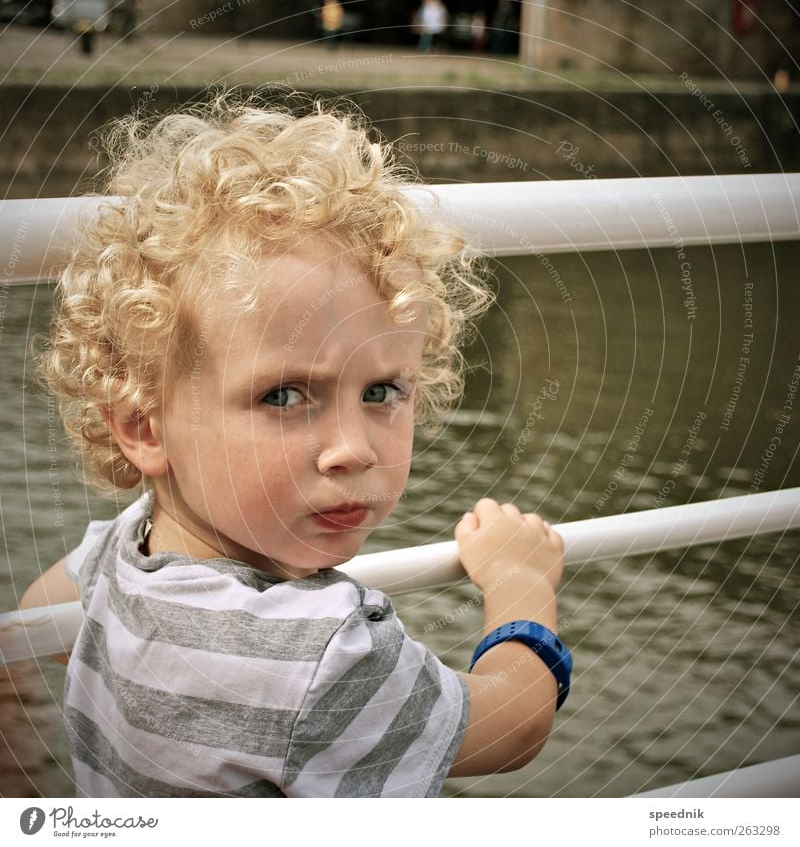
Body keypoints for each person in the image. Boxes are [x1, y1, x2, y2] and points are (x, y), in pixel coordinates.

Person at [20, 93, 570, 797]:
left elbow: (33, 616)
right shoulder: (312, 656)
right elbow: (516, 724)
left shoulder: (118, 554)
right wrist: (521, 583)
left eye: (381, 391)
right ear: (145, 427)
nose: (352, 449)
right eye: (283, 396)